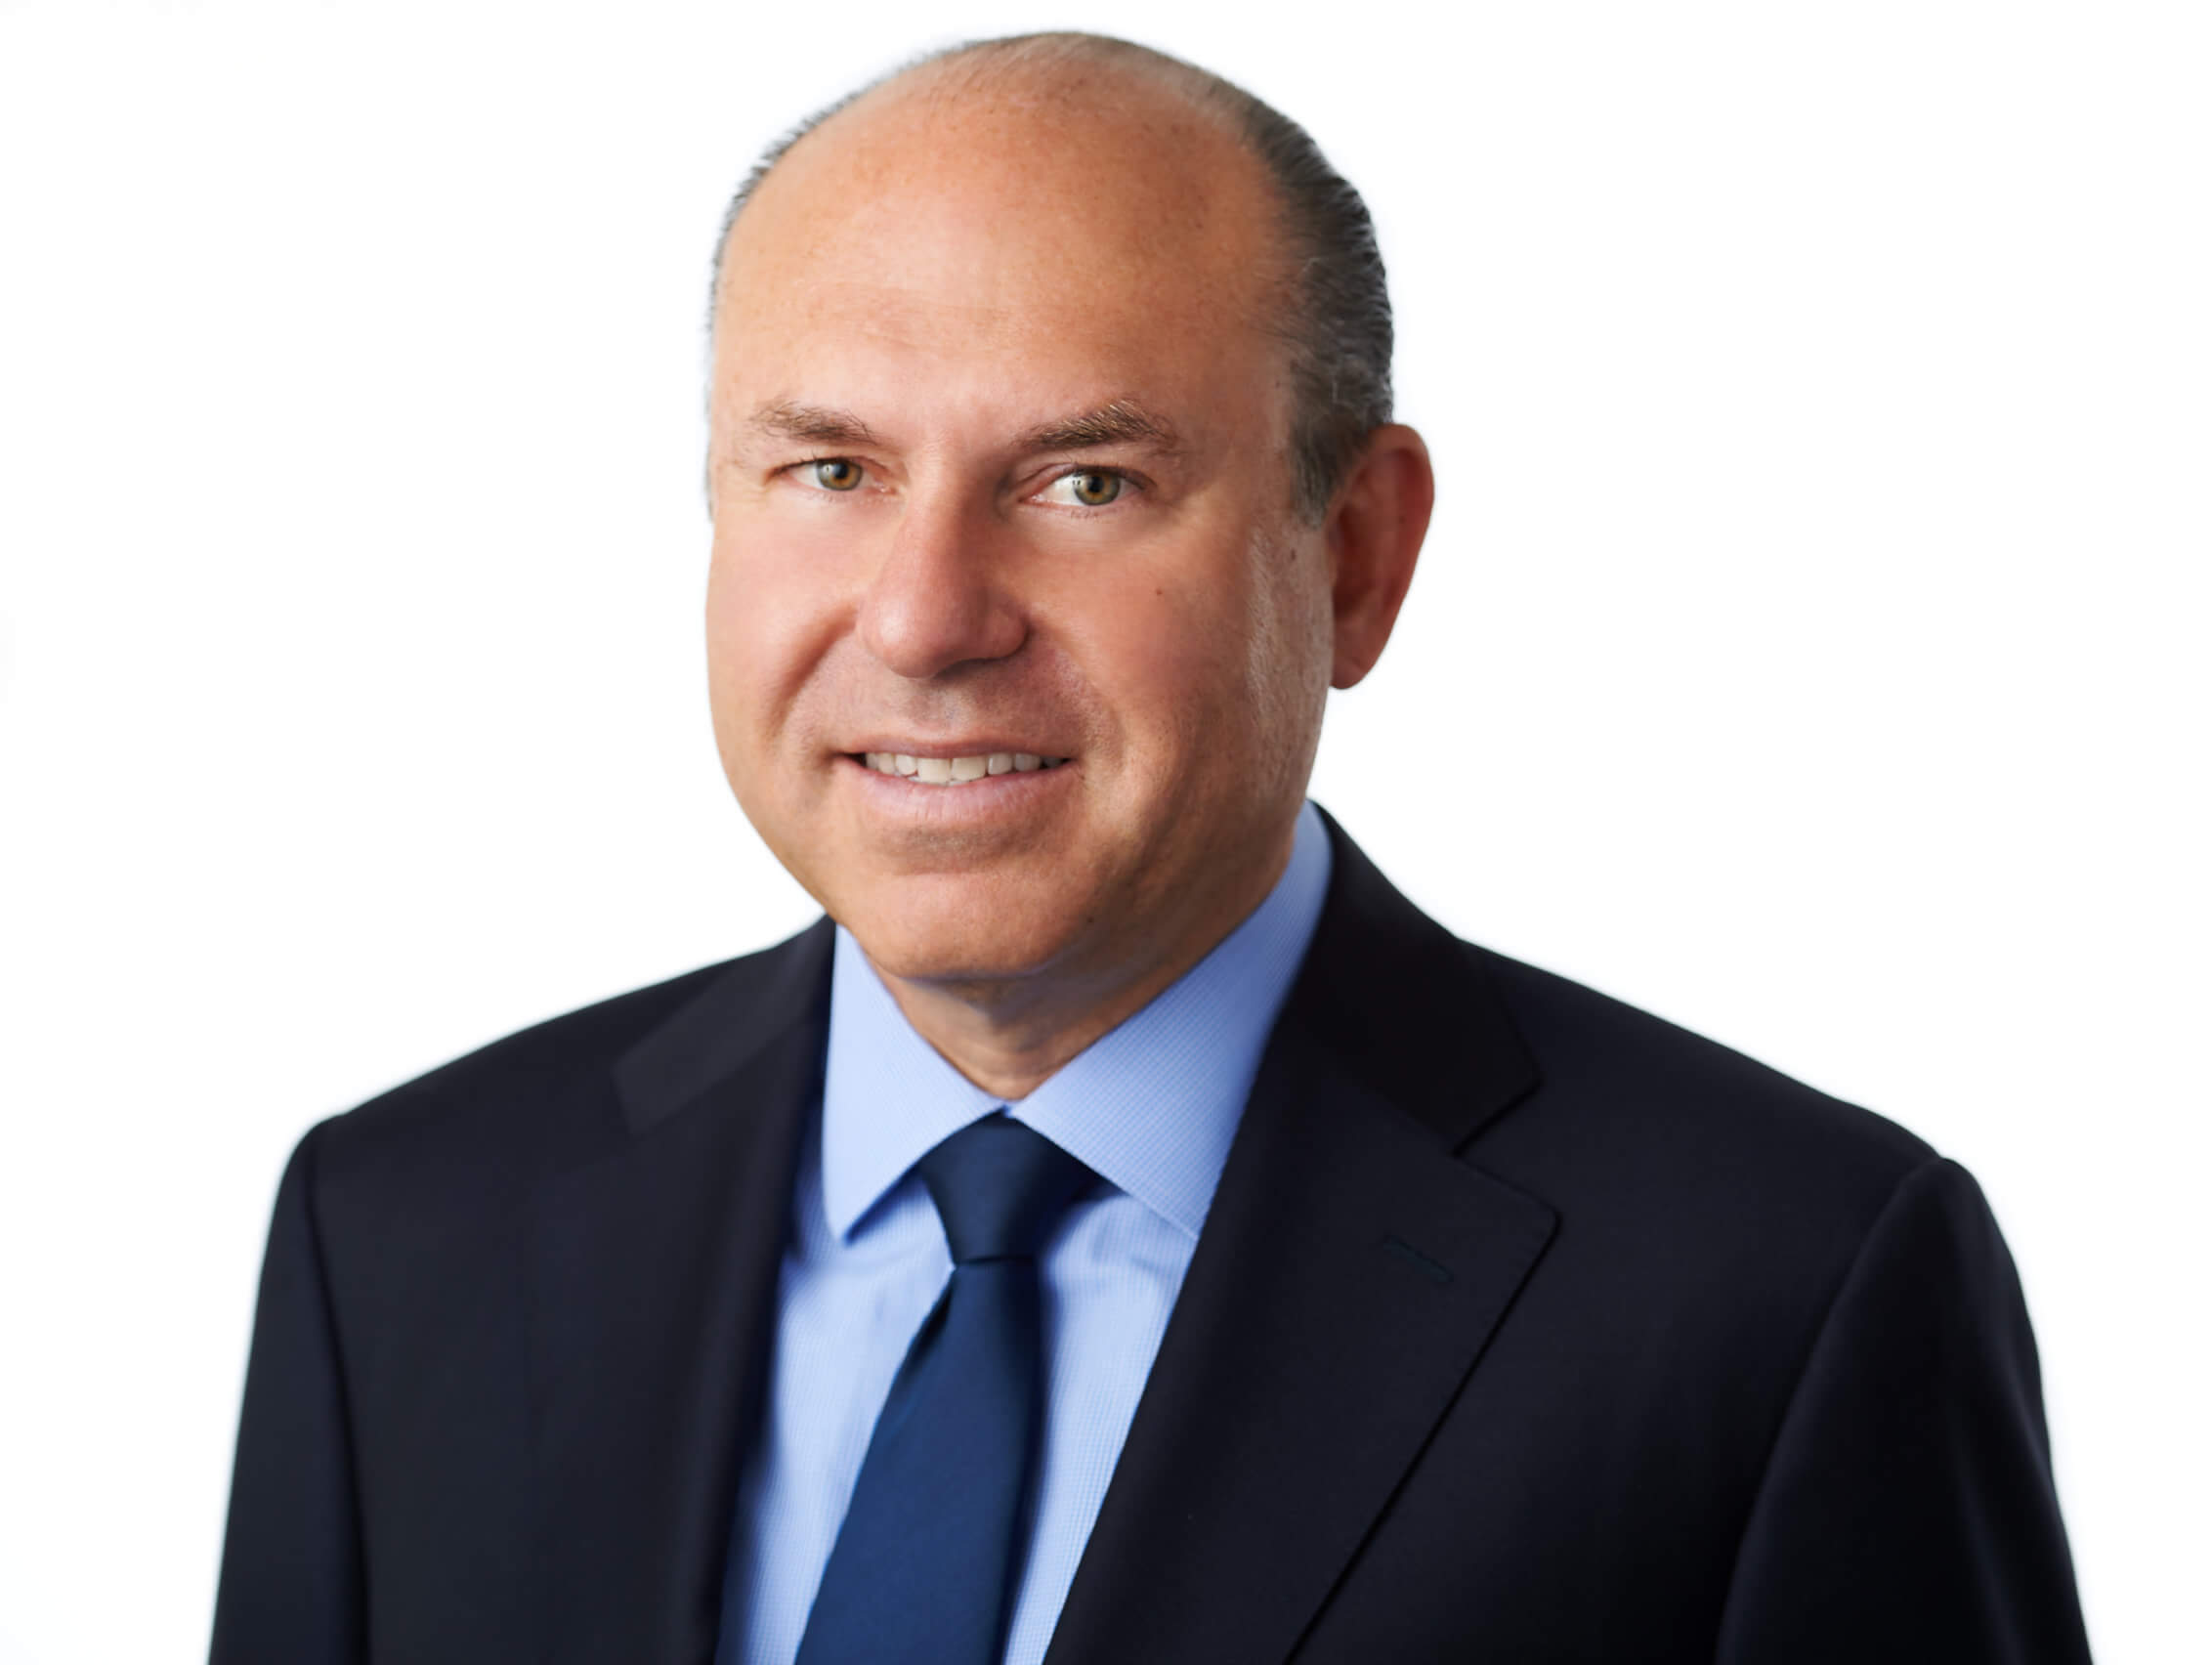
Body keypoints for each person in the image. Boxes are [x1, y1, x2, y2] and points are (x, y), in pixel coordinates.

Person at [209, 30, 2092, 1665]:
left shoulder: (1780, 1292)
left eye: (1085, 482)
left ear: (1355, 557)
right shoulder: (402, 1233)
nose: (925, 618)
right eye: (831, 470)